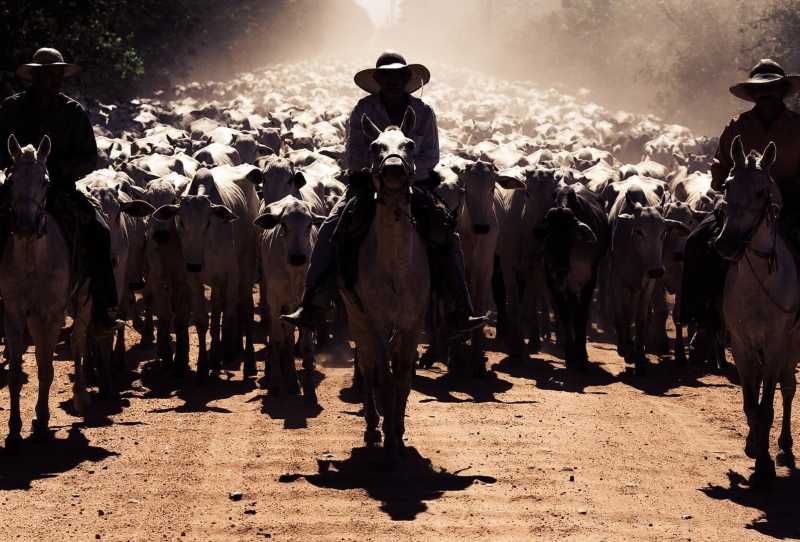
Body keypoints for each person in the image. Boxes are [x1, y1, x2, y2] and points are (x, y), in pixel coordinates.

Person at [281, 51, 487, 335]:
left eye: (398, 76)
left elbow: (431, 155)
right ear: (378, 79)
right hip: (367, 185)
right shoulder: (363, 110)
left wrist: (406, 172)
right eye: (387, 76)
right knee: (330, 228)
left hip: (415, 186)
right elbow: (353, 155)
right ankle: (313, 302)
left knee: (445, 234)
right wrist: (379, 174)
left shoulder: (424, 112)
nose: (393, 81)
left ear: (406, 79)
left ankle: (459, 308)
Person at [681, 59, 800, 362]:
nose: (767, 97)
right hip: (740, 203)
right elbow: (721, 163)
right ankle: (702, 322)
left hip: (790, 203)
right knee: (697, 243)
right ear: (754, 95)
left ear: (782, 92)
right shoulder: (738, 126)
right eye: (761, 91)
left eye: (772, 90)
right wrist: (727, 183)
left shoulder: (797, 126)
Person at [0, 48, 122, 332]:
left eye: (58, 74)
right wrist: (18, 167)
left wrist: (59, 172)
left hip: (59, 191)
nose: (54, 79)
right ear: (35, 76)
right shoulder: (11, 108)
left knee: (99, 229)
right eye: (47, 74)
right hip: (17, 190)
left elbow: (89, 156)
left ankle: (104, 307)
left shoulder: (72, 112)